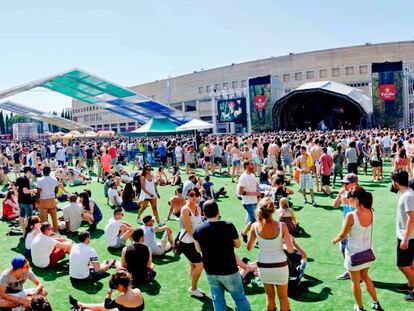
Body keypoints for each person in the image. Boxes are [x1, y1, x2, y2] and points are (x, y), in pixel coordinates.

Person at [332, 186, 384, 311]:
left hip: (354, 255)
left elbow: (342, 235)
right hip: (367, 253)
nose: (348, 202)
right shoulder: (371, 211)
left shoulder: (351, 216)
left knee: (355, 282)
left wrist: (334, 240)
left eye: (350, 199)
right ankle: (376, 302)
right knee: (366, 277)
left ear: (356, 199)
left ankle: (360, 307)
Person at [193, 200, 251, 311]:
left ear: (204, 214)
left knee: (218, 299)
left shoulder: (198, 229)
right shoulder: (228, 225)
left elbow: (198, 249)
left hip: (211, 270)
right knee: (239, 298)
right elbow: (238, 245)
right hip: (229, 269)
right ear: (218, 211)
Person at [247, 197, 293, 311]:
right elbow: (290, 250)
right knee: (283, 297)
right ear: (273, 210)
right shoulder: (282, 226)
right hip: (280, 266)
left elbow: (249, 247)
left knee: (269, 296)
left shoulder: (254, 226)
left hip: (264, 266)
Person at [69, 270, 145, 311]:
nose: (116, 289)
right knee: (101, 306)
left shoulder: (121, 298)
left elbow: (107, 306)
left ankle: (79, 309)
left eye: (116, 287)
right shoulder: (138, 291)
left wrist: (109, 293)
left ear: (120, 286)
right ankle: (79, 304)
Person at [390, 169, 414, 301]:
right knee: (410, 263)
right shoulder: (405, 193)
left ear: (397, 182)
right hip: (406, 235)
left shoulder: (408, 196)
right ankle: (410, 285)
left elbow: (412, 218)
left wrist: (405, 238)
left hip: (408, 237)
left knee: (402, 265)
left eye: (393, 180)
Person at [179, 186, 205, 298]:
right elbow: (188, 228)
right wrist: (198, 240)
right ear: (188, 196)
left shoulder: (198, 208)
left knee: (193, 265)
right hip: (187, 242)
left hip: (194, 240)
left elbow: (199, 224)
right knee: (200, 265)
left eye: (196, 195)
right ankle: (193, 288)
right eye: (191, 195)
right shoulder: (185, 209)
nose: (194, 197)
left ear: (199, 196)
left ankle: (193, 285)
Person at [332, 173, 359, 280]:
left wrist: (347, 201)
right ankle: (349, 270)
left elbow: (361, 210)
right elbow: (334, 205)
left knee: (355, 252)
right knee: (343, 249)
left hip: (356, 228)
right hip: (345, 227)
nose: (344, 186)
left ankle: (358, 274)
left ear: (354, 183)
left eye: (346, 184)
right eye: (343, 183)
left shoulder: (359, 193)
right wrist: (339, 195)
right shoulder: (345, 193)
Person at [239, 160, 260, 243]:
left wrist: (258, 194)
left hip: (254, 201)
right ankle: (256, 238)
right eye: (251, 164)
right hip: (247, 202)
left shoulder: (252, 175)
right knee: (255, 221)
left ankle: (244, 233)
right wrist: (254, 193)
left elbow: (255, 187)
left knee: (252, 220)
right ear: (246, 166)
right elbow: (241, 192)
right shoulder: (243, 177)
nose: (253, 165)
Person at [36, 166, 59, 232]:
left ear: (43, 171)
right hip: (52, 200)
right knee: (54, 218)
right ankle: (55, 231)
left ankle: (44, 233)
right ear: (50, 171)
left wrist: (37, 202)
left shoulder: (40, 180)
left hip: (43, 201)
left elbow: (38, 193)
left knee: (43, 219)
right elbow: (56, 191)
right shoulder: (55, 179)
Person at [15, 166, 36, 235]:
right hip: (27, 201)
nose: (31, 174)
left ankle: (24, 232)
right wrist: (33, 190)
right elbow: (25, 191)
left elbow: (14, 187)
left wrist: (17, 194)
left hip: (20, 201)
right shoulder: (25, 179)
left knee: (21, 216)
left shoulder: (19, 178)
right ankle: (27, 233)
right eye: (31, 172)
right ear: (28, 172)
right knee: (29, 218)